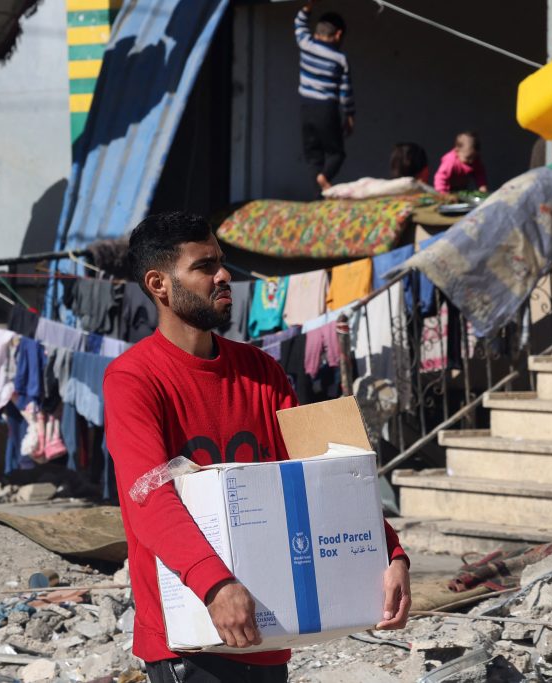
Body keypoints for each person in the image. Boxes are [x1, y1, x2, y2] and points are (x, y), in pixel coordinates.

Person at [104, 212, 412, 683]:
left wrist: (390, 553)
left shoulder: (261, 371)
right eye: (204, 266)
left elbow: (323, 473)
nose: (223, 276)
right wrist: (215, 584)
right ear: (158, 284)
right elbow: (148, 499)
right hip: (191, 637)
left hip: (271, 627)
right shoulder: (133, 379)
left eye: (221, 262)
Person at [295, 1, 355, 193]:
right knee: (336, 153)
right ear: (338, 35)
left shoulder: (306, 44)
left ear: (317, 32)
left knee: (313, 156)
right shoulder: (340, 59)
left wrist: (307, 7)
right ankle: (325, 177)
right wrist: (349, 115)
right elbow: (345, 92)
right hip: (327, 109)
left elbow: (299, 24)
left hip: (306, 107)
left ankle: (318, 195)